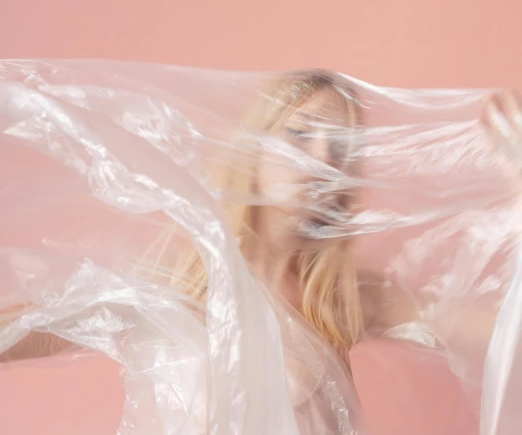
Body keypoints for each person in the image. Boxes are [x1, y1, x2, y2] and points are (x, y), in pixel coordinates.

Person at [0, 70, 520, 368]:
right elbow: (27, 327)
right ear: (255, 148)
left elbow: (499, 335)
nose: (322, 157)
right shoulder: (187, 287)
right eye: (300, 133)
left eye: (340, 145)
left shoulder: (342, 300)